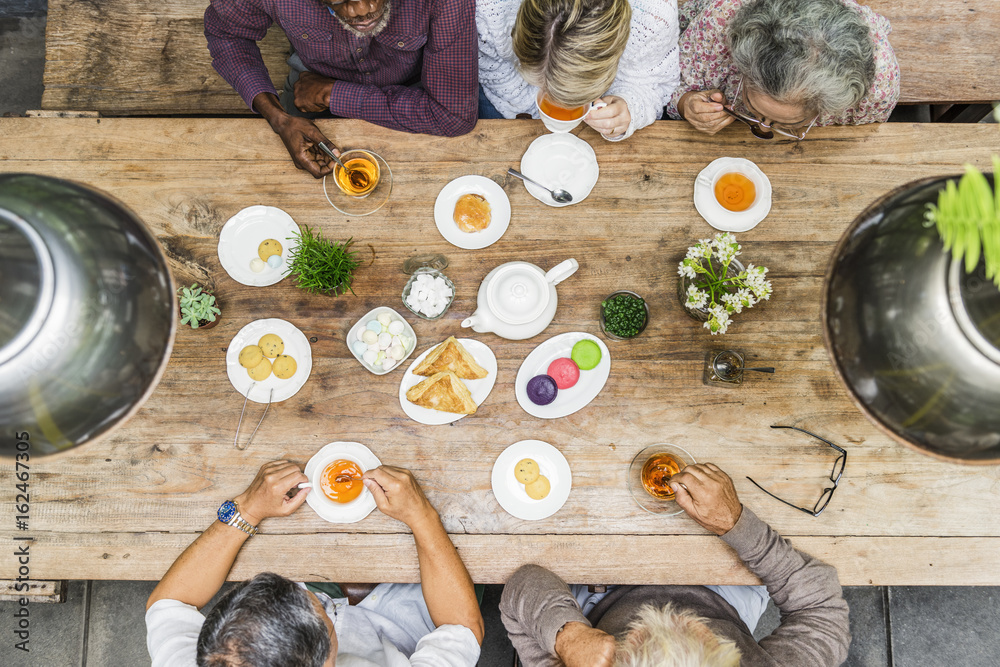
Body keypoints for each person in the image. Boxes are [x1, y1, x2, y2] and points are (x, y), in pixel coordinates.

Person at [500, 463, 850, 666]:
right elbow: (822, 609)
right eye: (706, 639)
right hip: (727, 596)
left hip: (597, 601)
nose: (677, 614)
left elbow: (521, 589)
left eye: (631, 642)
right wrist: (737, 524)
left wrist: (568, 636)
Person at [145, 460, 484, 666]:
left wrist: (247, 509)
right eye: (311, 604)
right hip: (404, 627)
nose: (300, 587)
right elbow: (462, 628)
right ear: (326, 660)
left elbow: (168, 603)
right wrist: (421, 515)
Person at [204, 0, 478, 178]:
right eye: (339, 1)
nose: (361, 10)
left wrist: (333, 94)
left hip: (415, 93)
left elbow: (451, 115)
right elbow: (227, 34)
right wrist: (279, 119)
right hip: (307, 89)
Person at [666, 0, 899, 138]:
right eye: (752, 106)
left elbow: (864, 136)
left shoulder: (878, 89)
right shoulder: (717, 26)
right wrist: (686, 103)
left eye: (787, 124)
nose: (762, 129)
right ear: (742, 68)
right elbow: (662, 85)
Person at [477, 0, 679, 141]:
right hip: (504, 93)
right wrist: (536, 114)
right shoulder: (488, 7)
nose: (558, 103)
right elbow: (495, 70)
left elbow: (655, 81)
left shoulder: (655, 15)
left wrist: (629, 106)